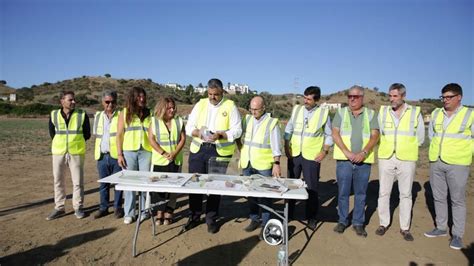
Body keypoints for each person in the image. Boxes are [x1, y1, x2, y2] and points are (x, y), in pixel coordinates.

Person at [184, 78, 242, 234]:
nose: (212, 97)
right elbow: (189, 127)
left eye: (215, 94)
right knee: (195, 185)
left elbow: (237, 130)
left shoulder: (230, 106)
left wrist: (221, 135)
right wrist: (198, 133)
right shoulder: (200, 104)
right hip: (199, 149)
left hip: (219, 151)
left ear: (222, 92)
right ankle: (194, 217)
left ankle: (211, 219)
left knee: (215, 186)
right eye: (210, 94)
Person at [424, 83, 473, 250]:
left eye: (449, 97)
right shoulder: (437, 113)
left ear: (459, 97)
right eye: (443, 97)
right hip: (436, 161)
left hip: (458, 163)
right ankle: (441, 228)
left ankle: (457, 235)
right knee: (438, 196)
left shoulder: (470, 114)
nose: (445, 100)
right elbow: (432, 134)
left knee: (457, 199)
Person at [375, 83, 424, 241]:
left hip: (407, 158)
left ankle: (404, 228)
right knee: (383, 192)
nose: (392, 99)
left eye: (395, 96)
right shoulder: (383, 111)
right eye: (390, 96)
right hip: (386, 157)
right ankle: (383, 223)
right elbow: (379, 133)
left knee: (406, 194)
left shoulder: (415, 112)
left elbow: (421, 138)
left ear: (403, 96)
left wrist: (406, 148)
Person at [332, 85, 379, 237]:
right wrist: (346, 152)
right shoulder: (341, 112)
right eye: (349, 96)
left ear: (362, 98)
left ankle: (358, 223)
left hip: (363, 161)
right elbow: (335, 133)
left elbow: (374, 136)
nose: (352, 99)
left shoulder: (371, 114)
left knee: (360, 193)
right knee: (343, 192)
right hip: (344, 160)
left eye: (355, 97)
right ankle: (342, 220)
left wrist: (363, 153)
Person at [284, 86, 332, 230]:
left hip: (312, 157)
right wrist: (286, 146)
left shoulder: (324, 113)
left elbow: (329, 135)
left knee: (312, 189)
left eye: (309, 99)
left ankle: (311, 217)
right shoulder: (297, 110)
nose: (306, 101)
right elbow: (289, 129)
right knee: (290, 186)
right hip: (294, 154)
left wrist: (324, 151)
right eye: (304, 98)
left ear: (316, 100)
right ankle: (289, 214)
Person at [238, 96, 282, 238]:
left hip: (263, 165)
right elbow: (239, 134)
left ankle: (266, 224)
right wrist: (242, 149)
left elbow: (276, 146)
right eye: (251, 108)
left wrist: (276, 164)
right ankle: (254, 219)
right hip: (248, 163)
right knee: (251, 194)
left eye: (256, 109)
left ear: (263, 108)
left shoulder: (271, 123)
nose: (253, 111)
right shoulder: (247, 119)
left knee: (265, 196)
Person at [46, 91, 91, 220]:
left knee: (78, 182)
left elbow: (87, 134)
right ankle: (59, 208)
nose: (73, 102)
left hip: (76, 152)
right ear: (62, 101)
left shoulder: (82, 114)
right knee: (58, 181)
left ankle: (78, 207)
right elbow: (52, 133)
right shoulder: (54, 114)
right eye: (70, 100)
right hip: (59, 152)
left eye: (74, 100)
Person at [116, 86, 152, 224]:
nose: (142, 99)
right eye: (139, 97)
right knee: (130, 182)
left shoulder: (150, 112)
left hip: (146, 151)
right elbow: (119, 135)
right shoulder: (124, 113)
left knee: (144, 182)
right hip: (129, 151)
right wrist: (120, 154)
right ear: (133, 98)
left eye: (143, 96)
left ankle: (144, 211)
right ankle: (129, 213)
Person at [147, 97, 186, 225]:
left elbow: (182, 139)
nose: (172, 110)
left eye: (173, 107)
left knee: (174, 188)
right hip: (160, 160)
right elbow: (151, 140)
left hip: (175, 160)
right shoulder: (154, 121)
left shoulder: (179, 121)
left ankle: (169, 212)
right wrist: (163, 153)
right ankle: (159, 212)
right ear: (162, 108)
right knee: (159, 188)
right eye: (169, 108)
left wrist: (174, 153)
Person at [93, 90, 124, 219]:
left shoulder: (120, 116)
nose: (110, 104)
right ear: (102, 102)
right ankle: (103, 208)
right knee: (103, 184)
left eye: (113, 102)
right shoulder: (98, 116)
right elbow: (96, 134)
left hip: (116, 155)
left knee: (118, 184)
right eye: (107, 102)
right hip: (101, 155)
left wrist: (120, 153)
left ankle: (117, 208)